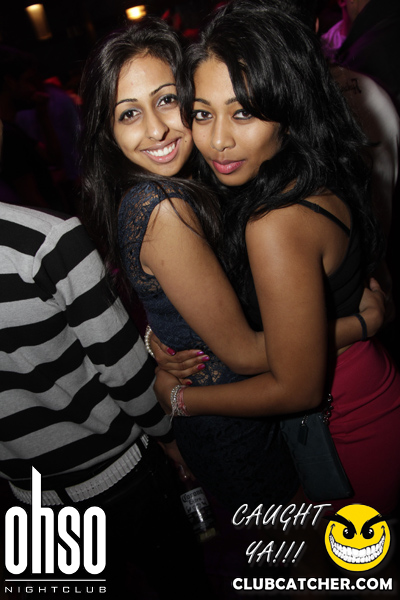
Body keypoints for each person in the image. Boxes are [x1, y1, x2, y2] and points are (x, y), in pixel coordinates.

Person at [79, 16, 385, 513]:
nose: (156, 129)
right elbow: (247, 353)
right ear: (107, 131)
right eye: (128, 113)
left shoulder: (221, 185)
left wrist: (160, 338)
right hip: (239, 437)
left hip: (273, 419)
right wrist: (360, 324)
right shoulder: (165, 205)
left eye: (167, 101)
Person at [0, 117, 210, 598]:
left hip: (31, 501)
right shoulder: (45, 241)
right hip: (121, 477)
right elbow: (123, 370)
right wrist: (171, 439)